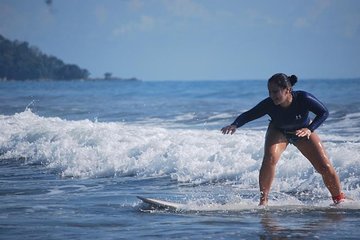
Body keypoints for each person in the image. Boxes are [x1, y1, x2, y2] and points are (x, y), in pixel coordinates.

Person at [221, 73, 345, 206]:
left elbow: (324, 112)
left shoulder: (304, 98)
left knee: (324, 166)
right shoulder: (269, 104)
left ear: (288, 90)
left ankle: (339, 200)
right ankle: (263, 202)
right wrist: (235, 124)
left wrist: (310, 129)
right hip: (278, 130)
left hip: (302, 131)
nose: (272, 96)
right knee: (270, 159)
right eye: (270, 92)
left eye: (275, 91)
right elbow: (249, 114)